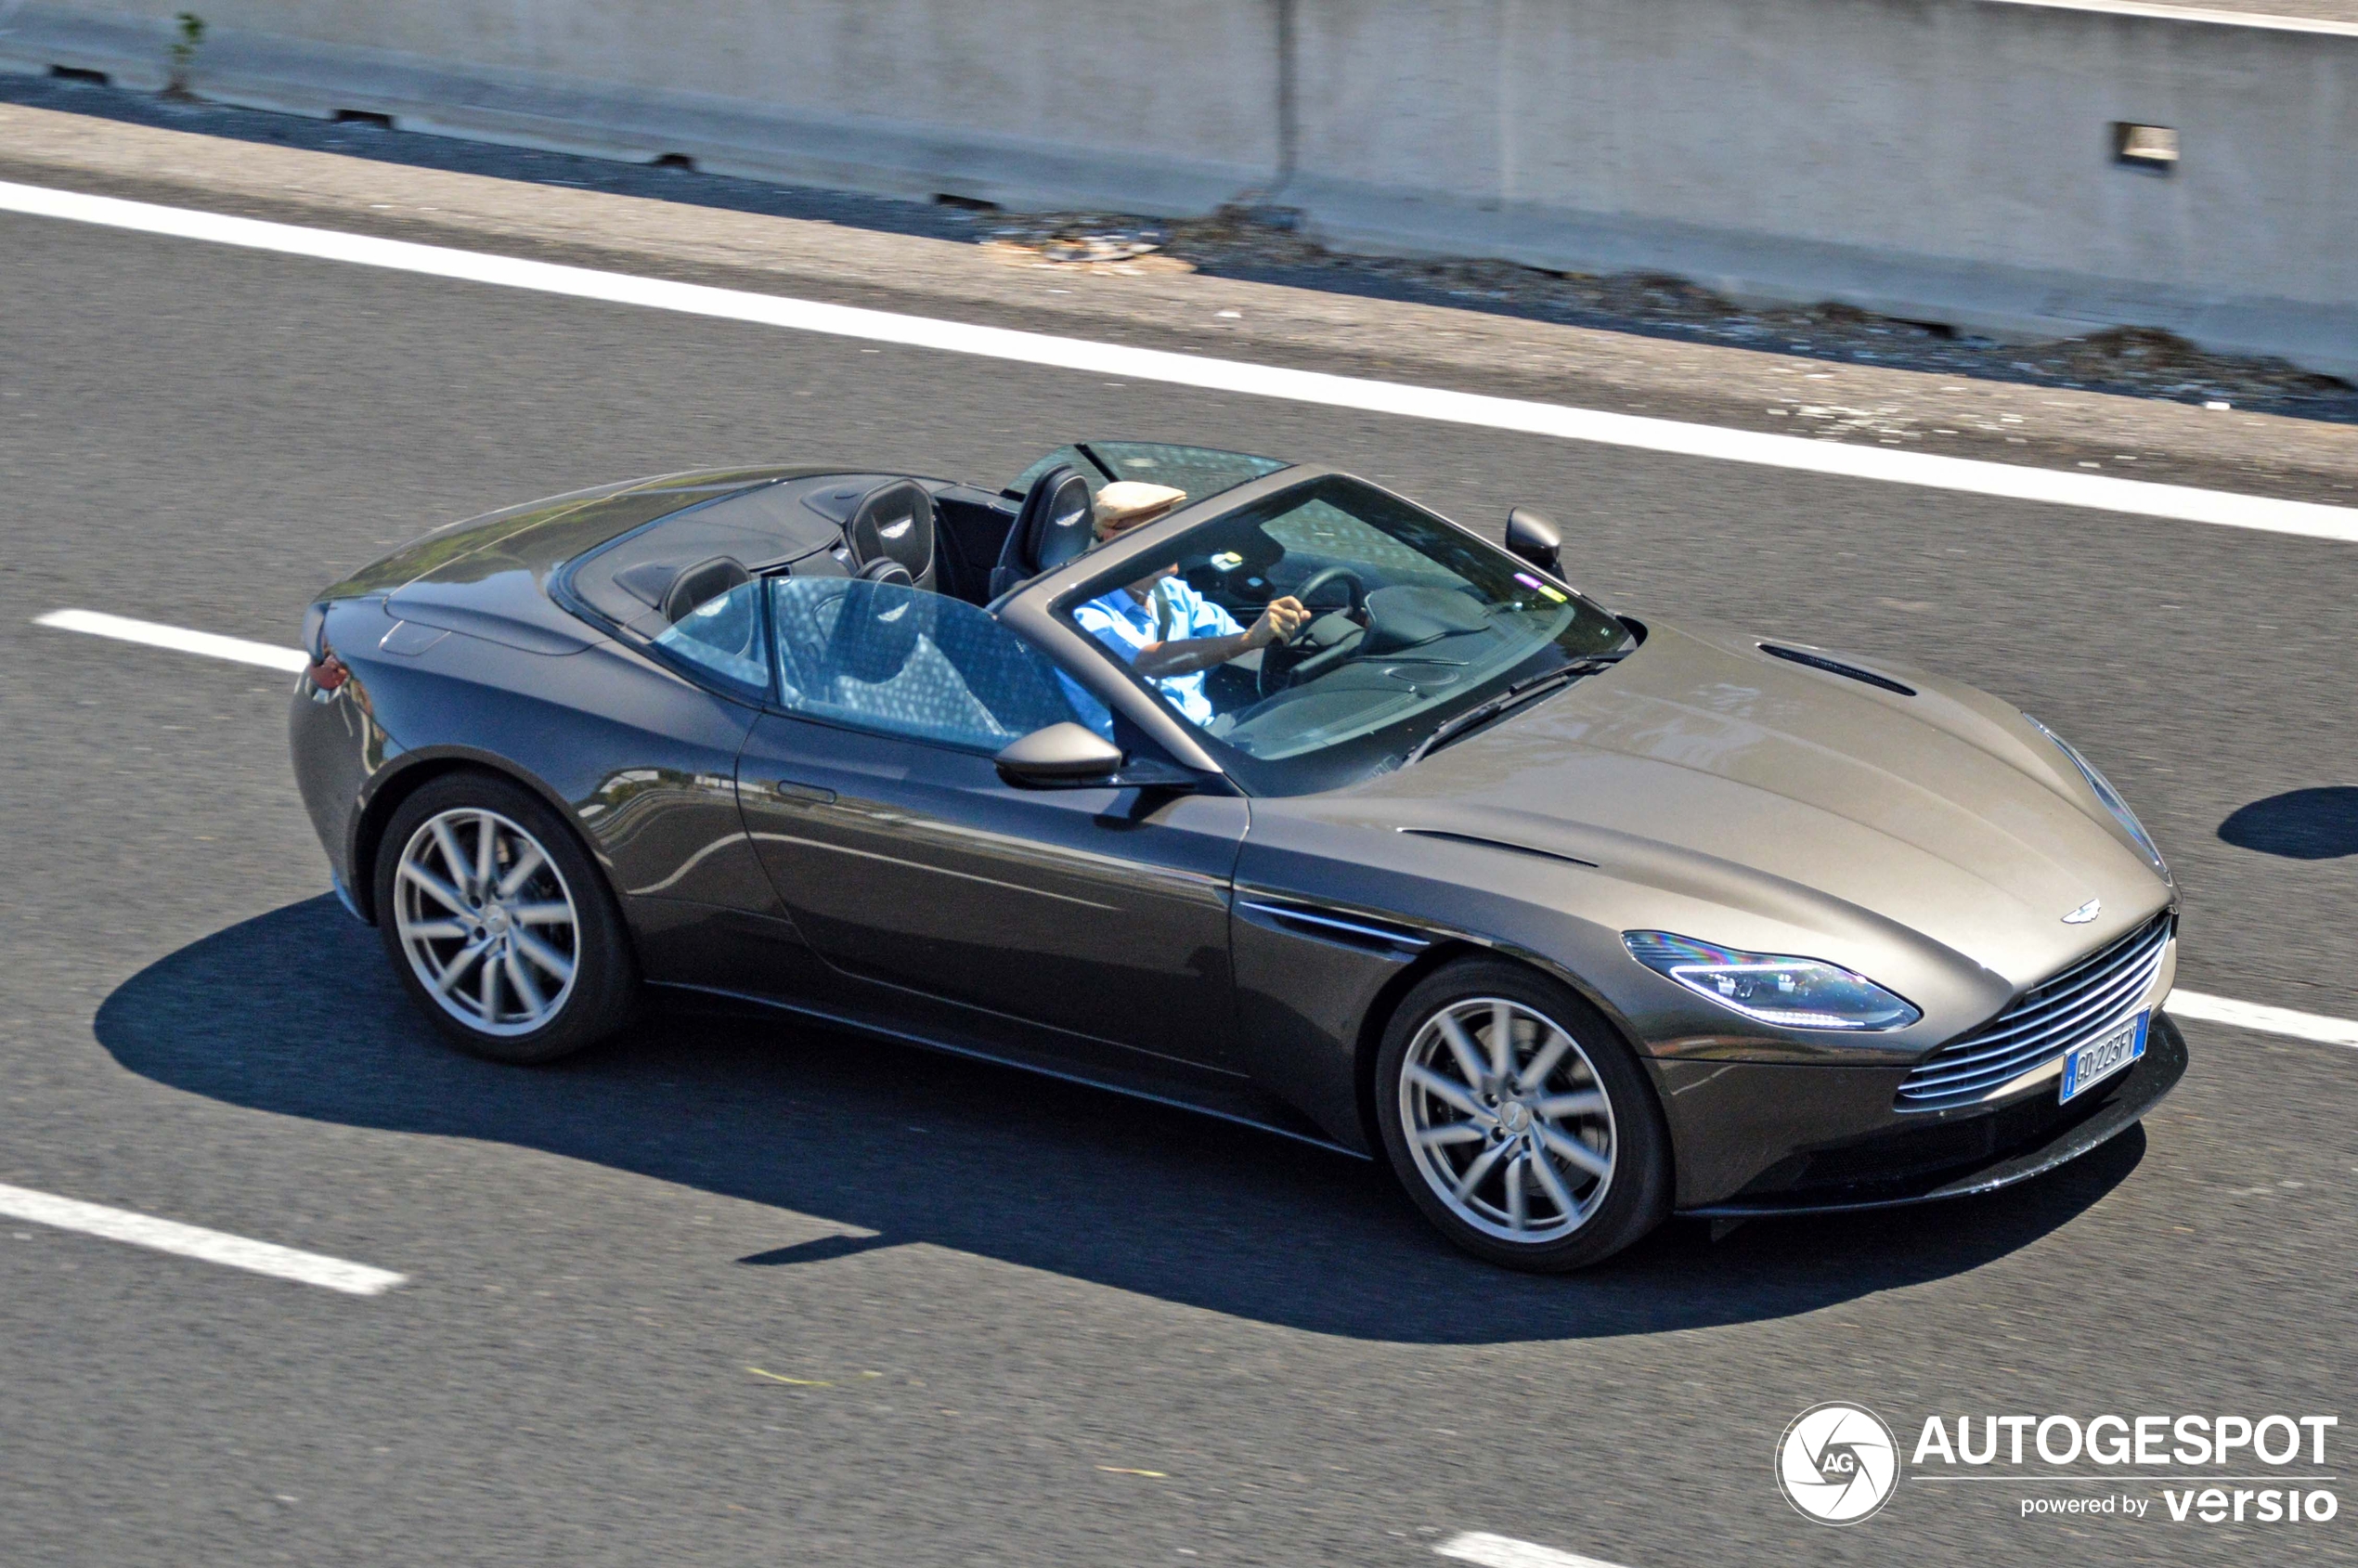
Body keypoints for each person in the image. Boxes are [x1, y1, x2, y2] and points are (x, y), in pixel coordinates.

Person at [1069, 481, 1310, 727]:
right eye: (1158, 531)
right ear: (1112, 539)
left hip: (1202, 733)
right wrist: (1248, 639)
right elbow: (1146, 661)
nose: (1174, 540)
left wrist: (1287, 636)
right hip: (1146, 752)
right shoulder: (1088, 611)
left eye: (1174, 528)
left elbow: (1244, 646)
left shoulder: (1174, 593)